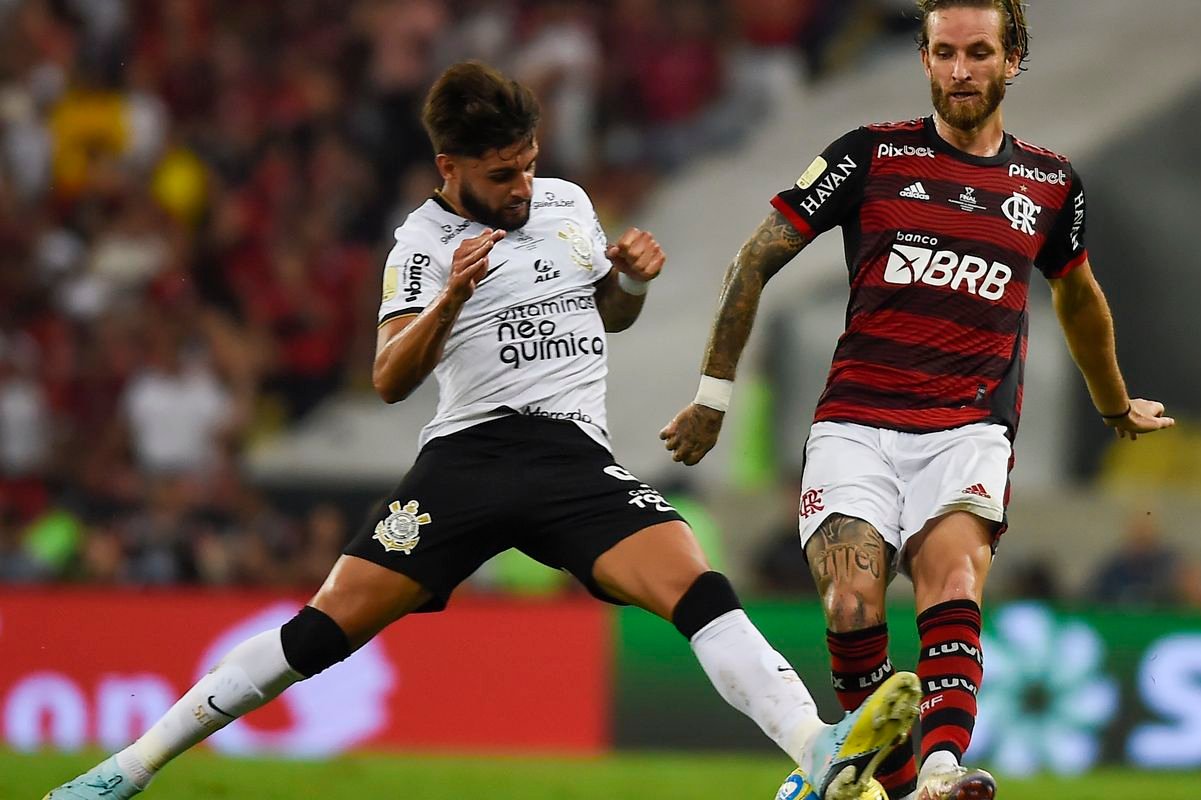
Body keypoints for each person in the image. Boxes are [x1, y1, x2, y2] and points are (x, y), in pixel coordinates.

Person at [47, 62, 918, 800]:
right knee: (319, 634)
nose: (521, 188)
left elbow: (606, 317)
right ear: (448, 166)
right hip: (466, 460)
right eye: (501, 176)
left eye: (528, 165)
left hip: (573, 457)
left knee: (696, 584)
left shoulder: (568, 205)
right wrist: (453, 299)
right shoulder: (420, 248)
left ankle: (818, 752)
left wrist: (631, 282)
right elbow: (389, 379)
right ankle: (124, 770)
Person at [660, 3, 1175, 798]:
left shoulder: (1047, 183)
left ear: (1013, 59)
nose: (960, 69)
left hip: (968, 426)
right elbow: (755, 257)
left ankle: (941, 768)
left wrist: (1113, 404)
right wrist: (712, 395)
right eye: (943, 52)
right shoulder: (868, 156)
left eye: (977, 52)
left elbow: (1079, 297)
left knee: (953, 581)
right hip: (856, 424)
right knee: (850, 602)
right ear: (924, 58)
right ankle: (900, 787)